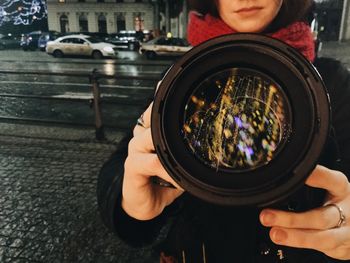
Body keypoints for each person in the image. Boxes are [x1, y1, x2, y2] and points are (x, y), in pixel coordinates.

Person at [97, 0, 350, 262]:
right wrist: (132, 202)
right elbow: (122, 163)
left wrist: (345, 226)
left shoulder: (333, 81)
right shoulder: (184, 78)